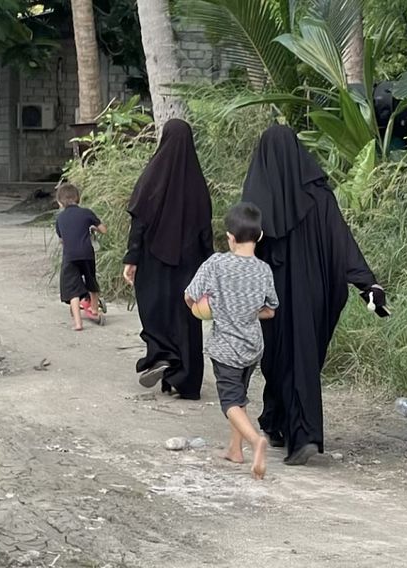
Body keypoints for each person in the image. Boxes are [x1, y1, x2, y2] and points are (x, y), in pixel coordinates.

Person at [242, 125, 387, 466]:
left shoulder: (256, 201)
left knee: (279, 359)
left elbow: (243, 250)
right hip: (316, 295)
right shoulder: (320, 197)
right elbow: (342, 243)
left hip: (273, 297)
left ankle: (301, 434)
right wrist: (367, 284)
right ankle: (280, 424)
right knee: (303, 359)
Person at [184, 202, 278, 480]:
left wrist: (204, 309)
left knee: (230, 402)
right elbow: (271, 310)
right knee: (240, 395)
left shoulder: (217, 263)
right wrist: (248, 312)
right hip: (252, 345)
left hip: (226, 347)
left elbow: (190, 295)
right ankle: (235, 450)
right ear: (259, 236)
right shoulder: (263, 270)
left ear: (230, 237)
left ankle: (255, 441)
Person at [123, 119, 214, 399]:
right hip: (190, 263)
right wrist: (210, 266)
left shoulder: (152, 176)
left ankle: (162, 355)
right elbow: (205, 231)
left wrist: (132, 258)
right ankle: (185, 381)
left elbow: (139, 221)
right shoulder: (197, 184)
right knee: (186, 320)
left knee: (155, 310)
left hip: (153, 260)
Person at [55, 183, 107, 331]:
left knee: (72, 289)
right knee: (91, 280)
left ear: (59, 202)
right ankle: (94, 310)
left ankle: (78, 323)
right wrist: (92, 227)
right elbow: (104, 230)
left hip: (70, 256)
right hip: (86, 254)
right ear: (78, 198)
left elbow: (61, 240)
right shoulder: (87, 213)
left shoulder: (60, 218)